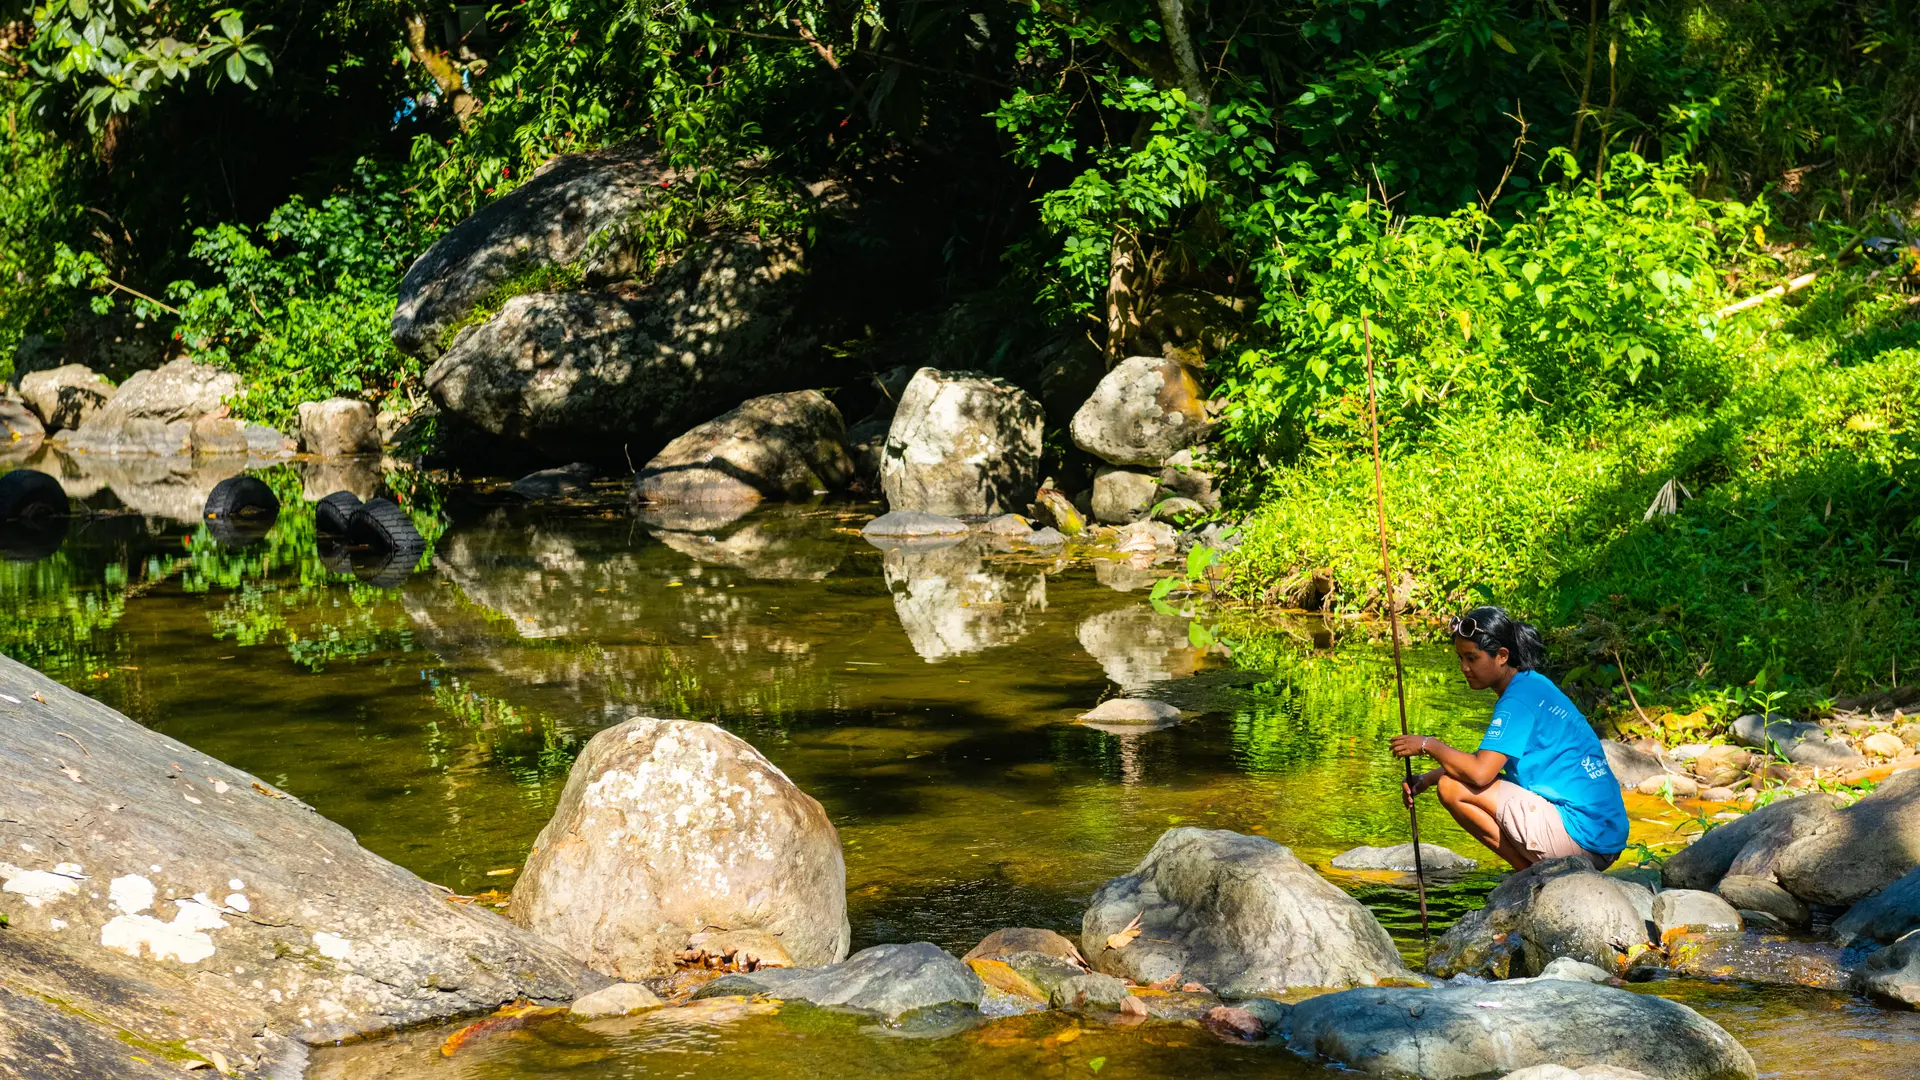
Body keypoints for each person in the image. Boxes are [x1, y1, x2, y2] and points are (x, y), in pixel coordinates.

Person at [1391, 606, 1627, 870]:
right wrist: (1426, 780)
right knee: (1448, 780)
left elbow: (1480, 774)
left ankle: (1529, 875)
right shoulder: (1531, 683)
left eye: (1472, 658)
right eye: (1460, 658)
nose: (1464, 668)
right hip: (1603, 837)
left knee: (1452, 788)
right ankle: (1532, 874)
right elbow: (1487, 763)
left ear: (1502, 656)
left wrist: (1428, 745)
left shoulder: (1517, 701)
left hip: (1583, 840)